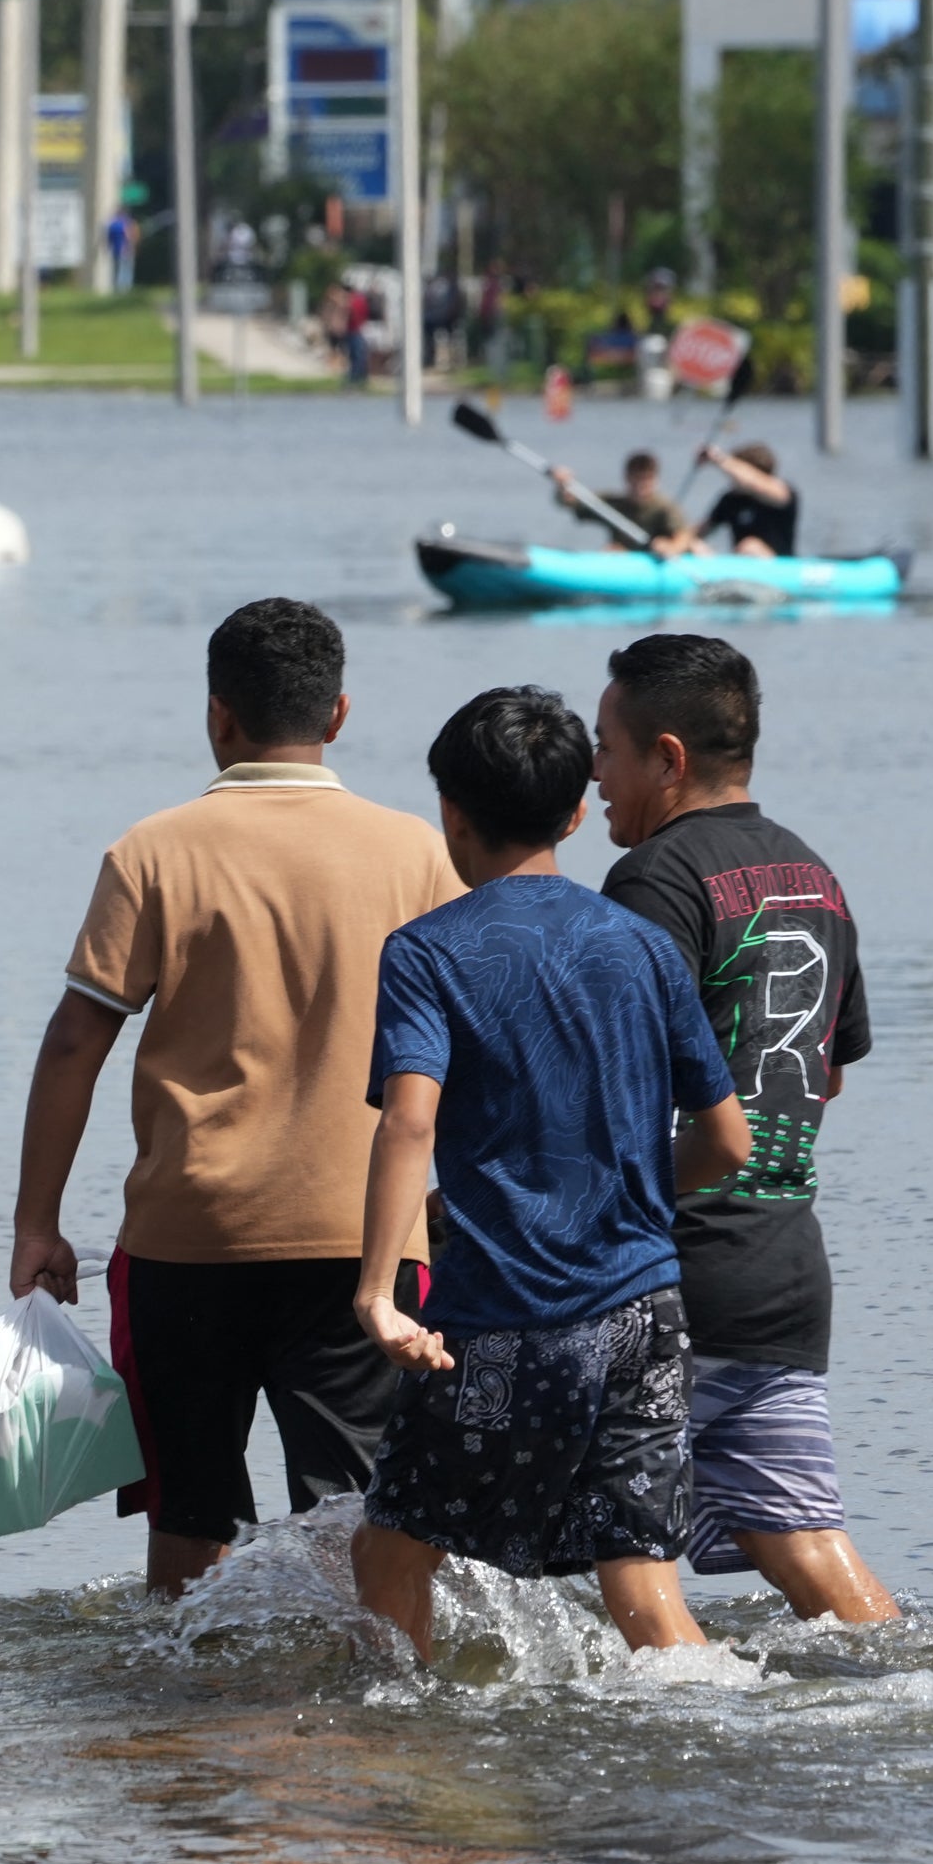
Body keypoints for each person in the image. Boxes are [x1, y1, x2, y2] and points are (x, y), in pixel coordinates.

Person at [12, 599, 467, 1598]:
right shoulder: (416, 856)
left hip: (187, 1238)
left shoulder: (153, 852)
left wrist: (36, 1223)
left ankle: (186, 1732)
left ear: (216, 715)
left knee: (187, 1517)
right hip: (365, 1241)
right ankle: (355, 1726)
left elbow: (73, 1039)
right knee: (357, 1515)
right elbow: (469, 1053)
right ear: (338, 714)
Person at [347, 686, 751, 1665]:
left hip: (503, 1323)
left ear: (449, 811)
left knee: (389, 1551)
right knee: (640, 1581)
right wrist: (625, 1201)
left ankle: (419, 1757)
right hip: (645, 1315)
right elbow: (726, 1142)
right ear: (576, 811)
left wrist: (374, 1292)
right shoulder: (644, 946)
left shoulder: (427, 952)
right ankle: (722, 1735)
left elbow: (409, 1115)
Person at [594, 637, 900, 1625]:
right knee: (802, 1543)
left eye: (607, 747)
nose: (594, 773)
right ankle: (919, 1690)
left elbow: (610, 1087)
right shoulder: (812, 873)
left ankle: (689, 1748)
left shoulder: (653, 880)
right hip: (781, 1271)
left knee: (619, 1546)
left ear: (666, 757)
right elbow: (831, 1070)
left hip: (672, 1275)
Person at [546, 450, 688, 551]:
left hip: (656, 555)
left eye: (646, 480)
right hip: (621, 555)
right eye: (636, 479)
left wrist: (672, 547)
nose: (640, 486)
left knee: (696, 546)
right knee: (612, 551)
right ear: (627, 478)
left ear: (656, 480)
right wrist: (563, 486)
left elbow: (683, 535)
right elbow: (572, 502)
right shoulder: (612, 503)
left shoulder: (664, 507)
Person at [691, 443, 799, 558]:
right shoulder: (730, 499)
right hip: (739, 565)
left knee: (750, 547)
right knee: (694, 545)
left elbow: (754, 482)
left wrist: (718, 458)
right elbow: (700, 531)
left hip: (779, 566)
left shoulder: (781, 493)